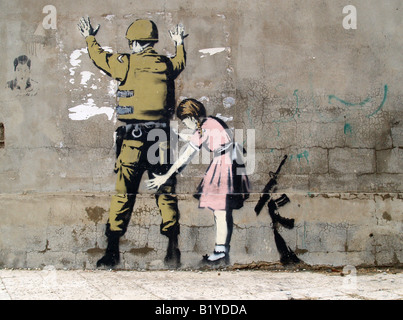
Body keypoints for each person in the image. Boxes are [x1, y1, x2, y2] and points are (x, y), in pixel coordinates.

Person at [77, 16, 187, 268]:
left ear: (137, 43)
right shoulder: (165, 65)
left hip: (134, 139)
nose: (130, 47)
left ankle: (112, 251)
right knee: (166, 193)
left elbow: (100, 58)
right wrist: (179, 43)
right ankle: (173, 249)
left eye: (131, 43)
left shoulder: (125, 63)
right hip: (160, 139)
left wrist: (89, 37)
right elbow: (180, 62)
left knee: (123, 194)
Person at [146, 99, 249, 264]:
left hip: (223, 165)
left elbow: (185, 156)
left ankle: (220, 250)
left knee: (220, 211)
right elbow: (197, 137)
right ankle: (220, 249)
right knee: (221, 211)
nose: (185, 124)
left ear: (192, 117)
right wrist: (180, 135)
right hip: (229, 162)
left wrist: (166, 176)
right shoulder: (210, 123)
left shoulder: (205, 128)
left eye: (184, 121)